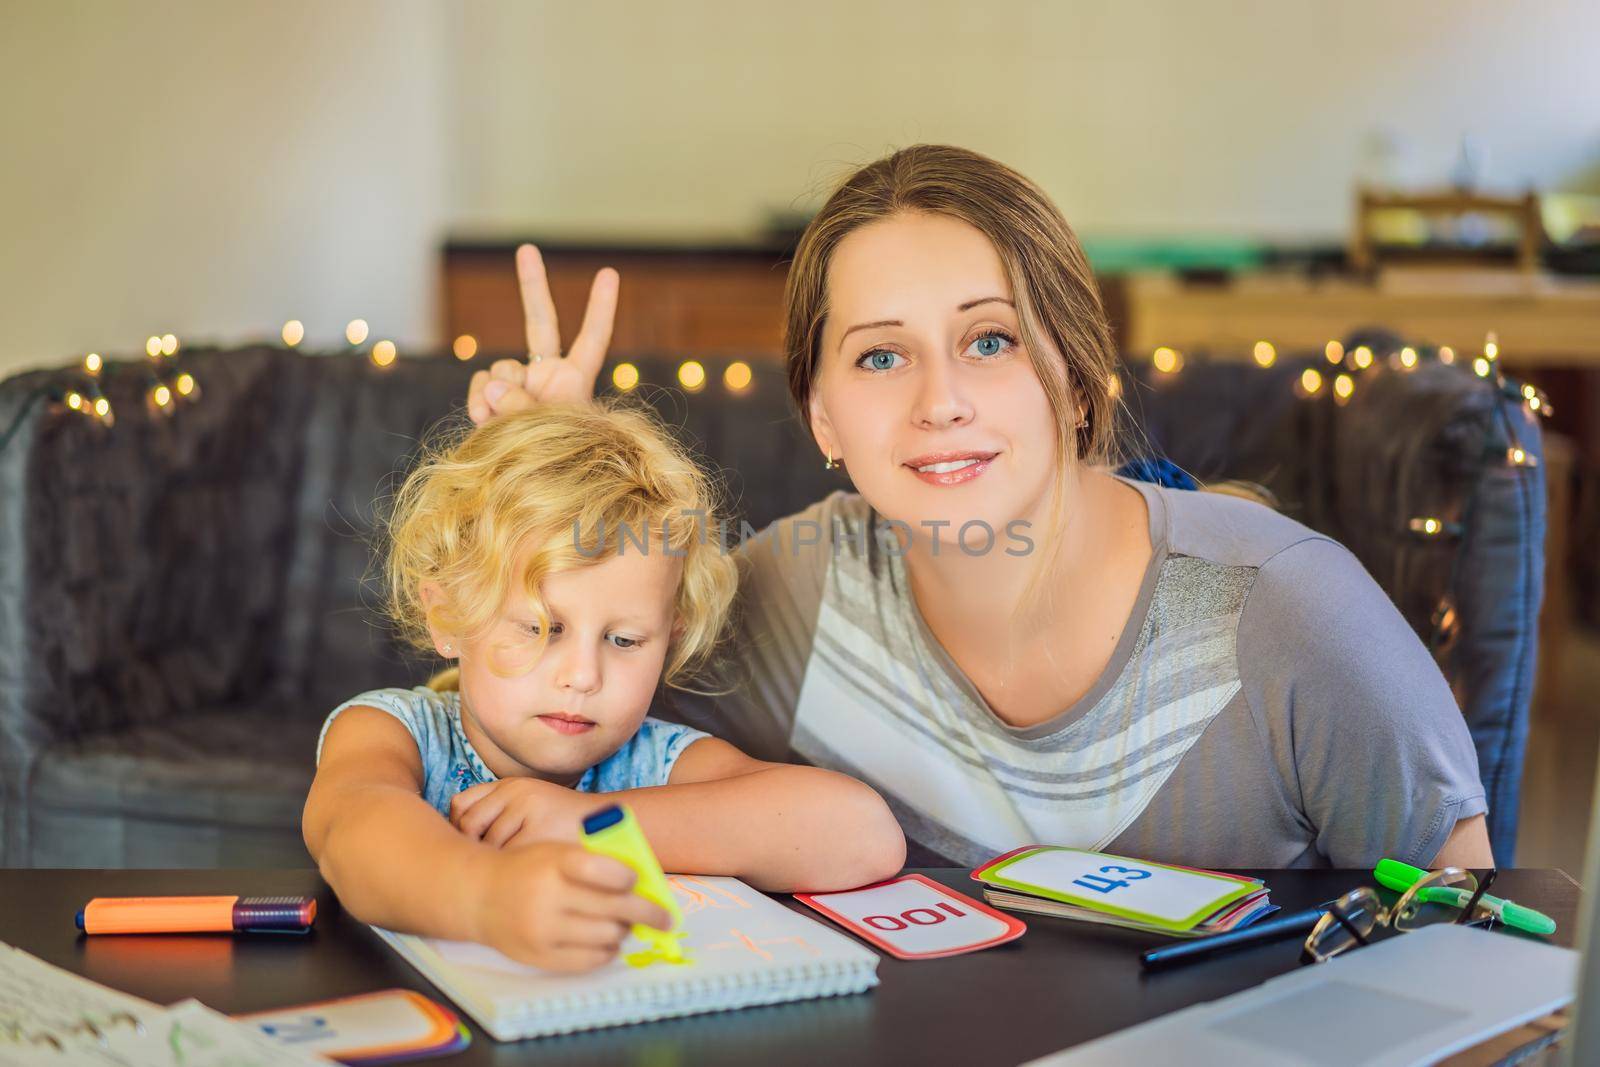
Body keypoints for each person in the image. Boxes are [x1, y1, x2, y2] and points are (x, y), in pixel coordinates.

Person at [466, 144, 1493, 873]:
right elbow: (530, 723)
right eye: (879, 354)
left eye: (990, 339)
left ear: (1083, 380)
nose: (938, 398)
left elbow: (1472, 958)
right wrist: (562, 500)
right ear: (823, 416)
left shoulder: (1289, 616)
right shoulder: (794, 594)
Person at [302, 403, 905, 973]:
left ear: (670, 636)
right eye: (542, 628)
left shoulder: (651, 762)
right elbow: (352, 832)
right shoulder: (393, 731)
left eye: (624, 641)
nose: (583, 676)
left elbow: (863, 836)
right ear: (449, 616)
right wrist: (490, 897)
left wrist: (587, 822)